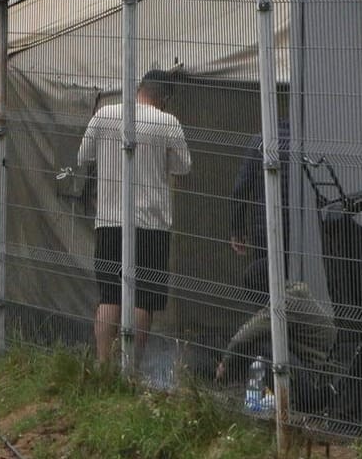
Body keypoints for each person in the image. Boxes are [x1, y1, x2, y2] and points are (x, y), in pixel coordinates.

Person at [78, 67, 192, 371]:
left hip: (110, 219)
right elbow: (183, 166)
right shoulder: (167, 122)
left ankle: (103, 365)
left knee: (110, 296)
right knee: (144, 298)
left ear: (139, 87)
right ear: (165, 97)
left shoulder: (106, 114)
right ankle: (131, 369)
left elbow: (83, 155)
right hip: (151, 223)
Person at [214, 279, 339, 413]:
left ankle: (267, 403)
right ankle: (252, 396)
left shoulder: (286, 303)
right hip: (308, 367)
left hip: (311, 377)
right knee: (259, 346)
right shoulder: (291, 295)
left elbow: (246, 335)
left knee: (258, 345)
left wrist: (225, 364)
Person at [228, 121, 292, 302]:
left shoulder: (262, 141)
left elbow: (241, 189)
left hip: (265, 226)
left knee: (267, 281)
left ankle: (270, 323)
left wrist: (238, 230)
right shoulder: (302, 140)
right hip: (299, 227)